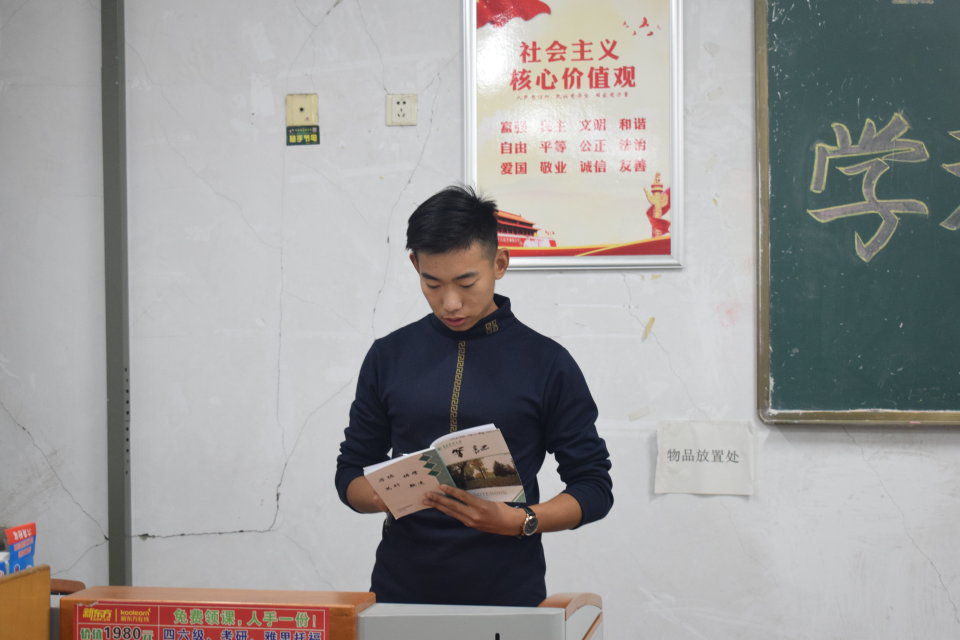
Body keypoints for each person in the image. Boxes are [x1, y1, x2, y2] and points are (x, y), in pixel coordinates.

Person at [335, 185, 613, 607]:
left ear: (499, 263)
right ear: (415, 265)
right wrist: (381, 494)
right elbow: (350, 472)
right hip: (400, 591)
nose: (450, 303)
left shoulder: (546, 362)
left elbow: (593, 486)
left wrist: (520, 520)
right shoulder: (388, 356)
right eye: (432, 283)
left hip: (507, 594)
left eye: (467, 282)